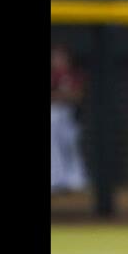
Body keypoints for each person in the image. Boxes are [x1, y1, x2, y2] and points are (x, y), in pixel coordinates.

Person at [51, 45, 89, 194]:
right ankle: (56, 179)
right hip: (55, 119)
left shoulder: (74, 74)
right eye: (55, 57)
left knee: (71, 150)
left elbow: (77, 96)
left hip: (71, 119)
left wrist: (59, 96)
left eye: (60, 57)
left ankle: (76, 179)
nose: (57, 60)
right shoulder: (53, 75)